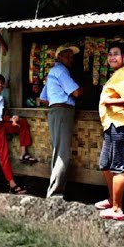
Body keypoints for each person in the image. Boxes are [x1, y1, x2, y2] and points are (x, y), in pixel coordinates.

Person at [93, 41, 124, 221]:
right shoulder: (117, 75)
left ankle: (118, 209)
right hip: (112, 125)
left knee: (117, 167)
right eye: (110, 53)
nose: (112, 57)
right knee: (105, 164)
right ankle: (112, 200)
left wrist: (110, 103)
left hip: (118, 125)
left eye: (116, 54)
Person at [0, 73, 36, 194]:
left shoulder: (1, 99)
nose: (0, 85)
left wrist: (12, 119)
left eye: (1, 83)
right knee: (3, 156)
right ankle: (12, 185)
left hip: (3, 124)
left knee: (23, 123)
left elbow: (2, 116)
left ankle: (23, 153)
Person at [38, 44, 81, 198]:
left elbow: (43, 98)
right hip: (62, 111)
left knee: (58, 151)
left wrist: (56, 95)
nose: (71, 60)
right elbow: (76, 92)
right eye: (68, 56)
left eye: (72, 57)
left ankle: (54, 190)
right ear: (59, 57)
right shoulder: (61, 71)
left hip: (55, 111)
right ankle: (55, 193)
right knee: (63, 154)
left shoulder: (52, 72)